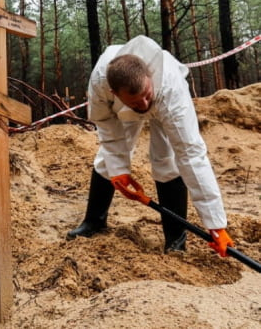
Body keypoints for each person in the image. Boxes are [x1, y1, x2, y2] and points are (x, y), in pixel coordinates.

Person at [67, 35, 234, 257]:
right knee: (106, 161)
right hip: (122, 110)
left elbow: (191, 155)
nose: (144, 105)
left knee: (167, 161)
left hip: (164, 101)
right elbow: (106, 123)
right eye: (137, 102)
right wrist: (119, 170)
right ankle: (93, 222)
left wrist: (216, 224)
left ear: (150, 77)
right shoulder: (99, 81)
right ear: (114, 93)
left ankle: (175, 240)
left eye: (146, 96)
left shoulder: (170, 89)